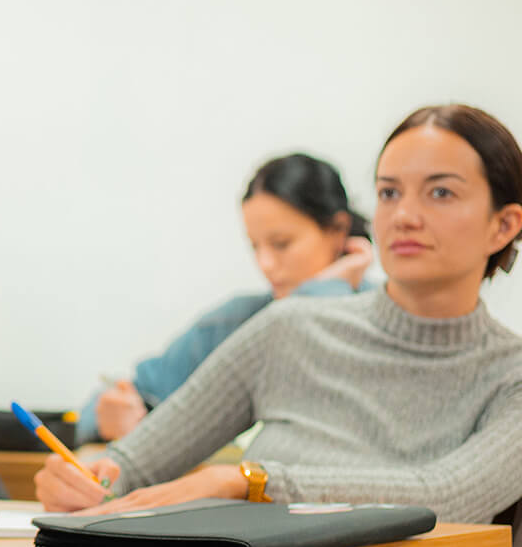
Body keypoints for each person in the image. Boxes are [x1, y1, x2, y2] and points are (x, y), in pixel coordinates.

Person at [39, 104, 522, 525]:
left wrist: (249, 481)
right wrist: (83, 481)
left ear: (503, 225)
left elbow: (446, 496)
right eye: (389, 192)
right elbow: (133, 465)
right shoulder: (287, 329)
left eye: (440, 192)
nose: (404, 216)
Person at [78, 153, 375, 443]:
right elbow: (111, 402)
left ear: (338, 230)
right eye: (255, 246)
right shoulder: (235, 321)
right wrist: (112, 415)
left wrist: (323, 292)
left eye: (281, 244)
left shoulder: (386, 320)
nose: (265, 264)